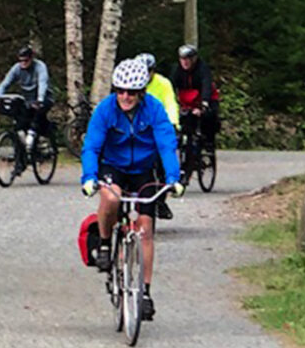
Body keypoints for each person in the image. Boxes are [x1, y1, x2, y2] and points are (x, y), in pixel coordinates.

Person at [80, 58, 183, 321]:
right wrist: (89, 177)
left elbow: (166, 145)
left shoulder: (155, 110)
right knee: (111, 198)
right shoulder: (105, 110)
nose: (125, 96)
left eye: (132, 92)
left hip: (144, 171)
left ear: (141, 92)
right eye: (121, 91)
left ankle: (145, 293)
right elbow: (91, 146)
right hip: (113, 166)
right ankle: (104, 244)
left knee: (146, 229)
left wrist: (173, 177)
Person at [137, 52, 180, 221]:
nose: (146, 74)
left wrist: (173, 123)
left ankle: (160, 201)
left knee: (163, 163)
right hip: (139, 129)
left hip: (159, 126)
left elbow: (170, 103)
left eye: (149, 71)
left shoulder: (163, 83)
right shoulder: (132, 82)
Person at [0, 45, 54, 149]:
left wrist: (40, 100)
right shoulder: (16, 68)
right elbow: (5, 83)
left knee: (37, 116)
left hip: (44, 98)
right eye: (21, 61)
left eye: (26, 60)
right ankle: (20, 158)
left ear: (31, 58)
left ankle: (39, 140)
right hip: (28, 99)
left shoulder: (40, 67)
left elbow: (42, 83)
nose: (23, 63)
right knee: (20, 123)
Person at [170, 44, 220, 151]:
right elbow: (170, 88)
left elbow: (207, 85)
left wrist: (204, 104)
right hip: (185, 100)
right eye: (182, 59)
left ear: (194, 59)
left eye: (188, 59)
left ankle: (208, 142)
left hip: (202, 98)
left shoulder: (202, 68)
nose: (185, 62)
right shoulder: (177, 69)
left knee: (209, 116)